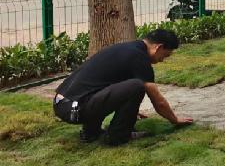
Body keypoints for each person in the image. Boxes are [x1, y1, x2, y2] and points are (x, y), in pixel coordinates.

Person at [52, 29, 193, 145]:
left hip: (62, 104)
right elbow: (158, 101)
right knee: (137, 86)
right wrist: (175, 119)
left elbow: (109, 86)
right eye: (165, 55)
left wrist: (129, 110)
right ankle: (118, 136)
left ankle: (91, 133)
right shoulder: (139, 58)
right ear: (158, 47)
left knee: (121, 86)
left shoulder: (126, 49)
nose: (163, 60)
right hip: (76, 109)